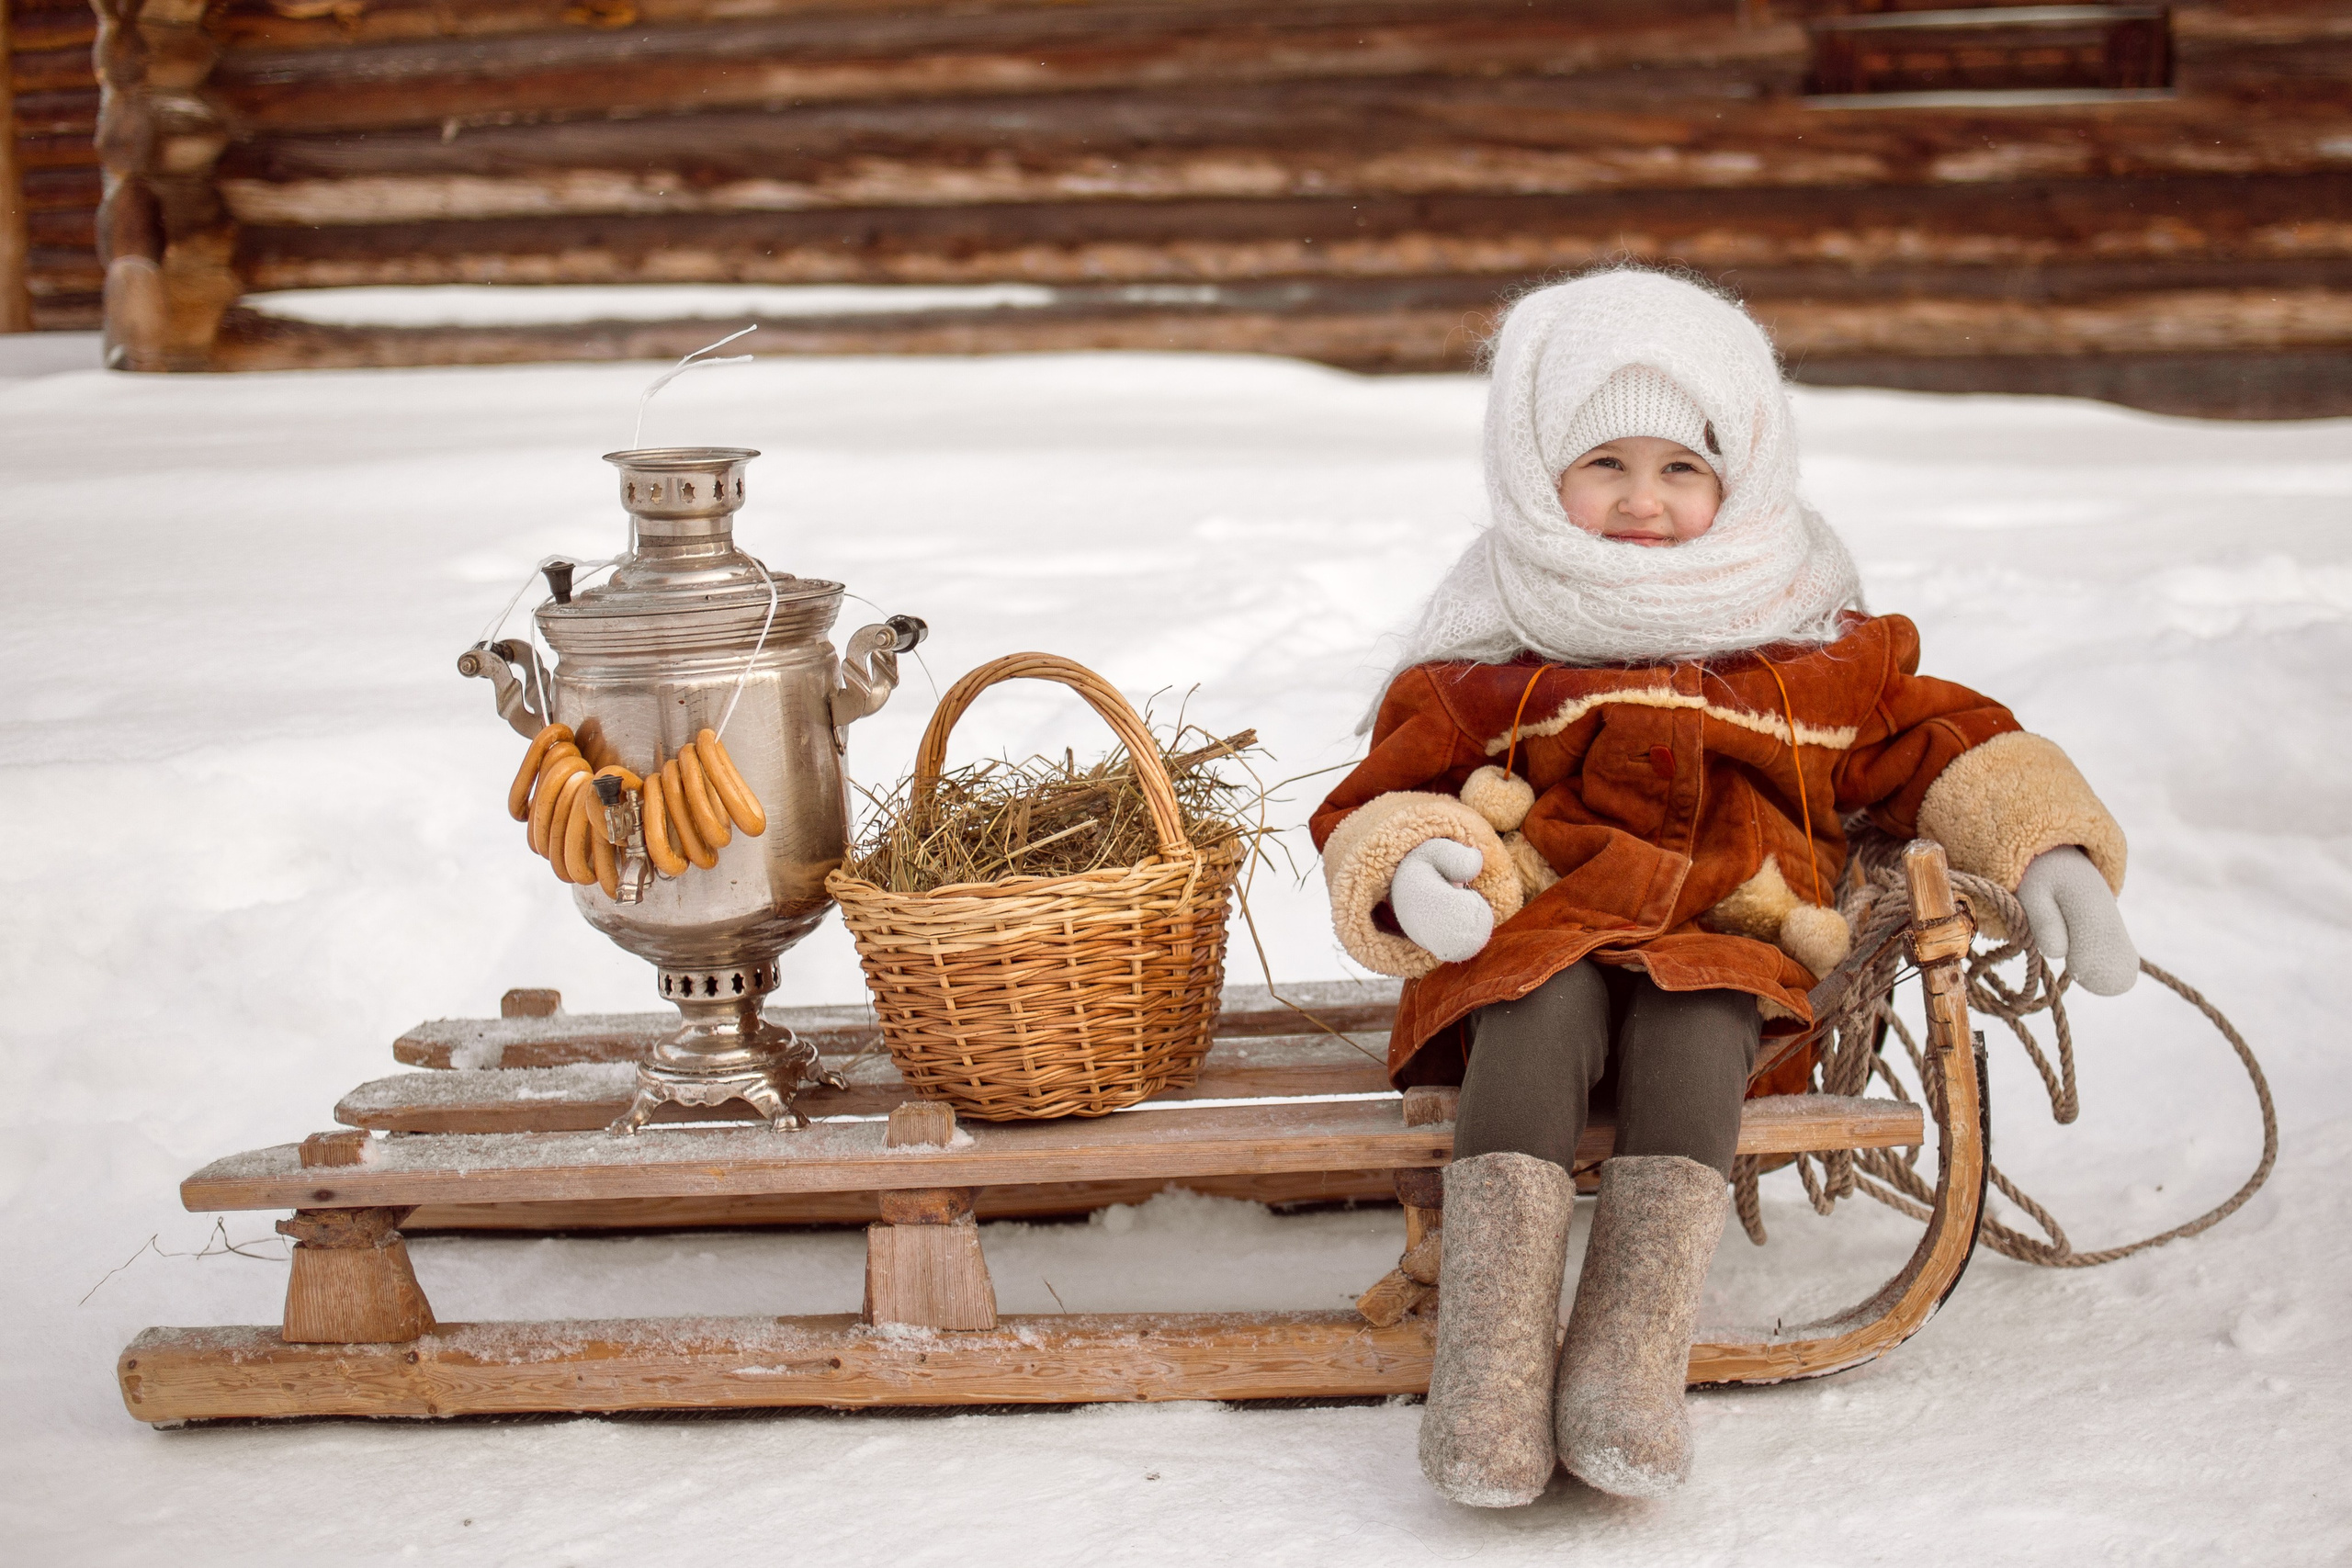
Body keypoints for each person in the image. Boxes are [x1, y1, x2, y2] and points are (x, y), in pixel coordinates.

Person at [1309, 267, 2137, 1507]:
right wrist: (1415, 858)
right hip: (1538, 926)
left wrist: (2044, 843)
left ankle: (1625, 1366)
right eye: (1606, 466)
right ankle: (1485, 1372)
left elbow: (1939, 740)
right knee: (1529, 1032)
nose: (1643, 502)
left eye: (1681, 470)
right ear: (1542, 473)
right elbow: (1396, 782)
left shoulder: (1811, 641)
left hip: (1735, 935)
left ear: (1739, 472)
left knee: (1698, 1044)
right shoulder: (1499, 638)